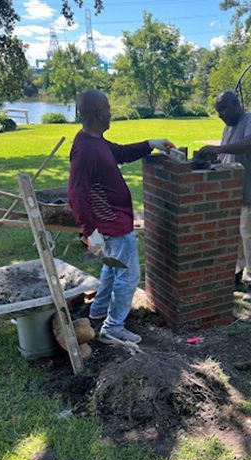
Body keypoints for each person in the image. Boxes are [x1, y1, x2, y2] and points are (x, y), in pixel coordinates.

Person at [68, 89, 174, 344]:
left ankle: (99, 310)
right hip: (112, 225)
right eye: (107, 108)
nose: (111, 113)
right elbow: (76, 193)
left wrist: (150, 144)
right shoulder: (85, 149)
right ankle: (113, 327)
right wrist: (90, 231)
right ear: (97, 113)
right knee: (128, 276)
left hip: (114, 222)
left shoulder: (95, 141)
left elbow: (121, 153)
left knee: (112, 271)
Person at [198, 91, 251, 302]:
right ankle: (234, 276)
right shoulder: (228, 128)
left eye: (223, 109)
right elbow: (226, 157)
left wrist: (220, 148)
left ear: (235, 104)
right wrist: (212, 158)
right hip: (236, 194)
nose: (220, 115)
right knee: (237, 239)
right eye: (217, 111)